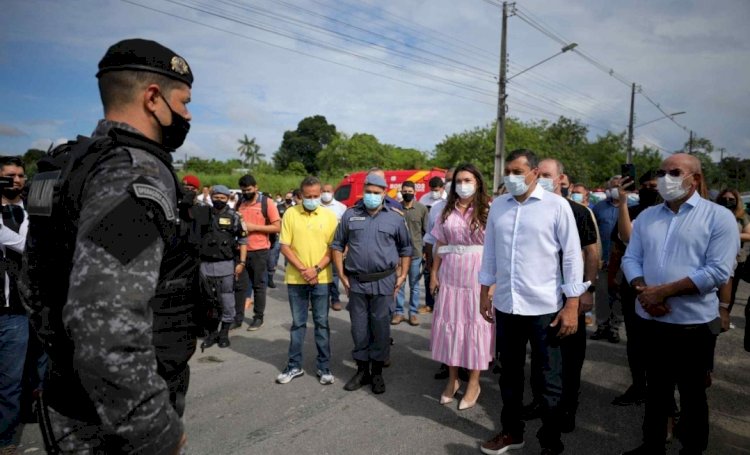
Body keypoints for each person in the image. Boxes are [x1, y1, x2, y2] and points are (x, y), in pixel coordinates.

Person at [21, 38, 196, 454]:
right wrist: (153, 428)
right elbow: (103, 320)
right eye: (184, 101)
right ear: (153, 98)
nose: (188, 114)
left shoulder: (70, 165)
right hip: (110, 425)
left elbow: (34, 284)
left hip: (71, 393)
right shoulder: (134, 175)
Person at [620, 153, 739, 455]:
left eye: (674, 172)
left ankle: (692, 449)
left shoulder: (718, 217)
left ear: (695, 179)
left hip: (692, 325)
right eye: (661, 172)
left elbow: (717, 271)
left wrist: (663, 292)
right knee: (657, 392)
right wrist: (644, 291)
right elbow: (631, 258)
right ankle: (653, 446)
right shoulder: (648, 216)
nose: (665, 178)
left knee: (693, 395)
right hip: (650, 319)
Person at [478, 149, 587, 455]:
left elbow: (572, 258)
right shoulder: (499, 206)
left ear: (535, 172)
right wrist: (483, 292)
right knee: (509, 376)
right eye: (507, 172)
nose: (510, 177)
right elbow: (490, 253)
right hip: (507, 305)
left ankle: (550, 442)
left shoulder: (556, 206)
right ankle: (512, 432)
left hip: (545, 309)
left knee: (548, 379)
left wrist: (572, 305)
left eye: (517, 171)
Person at [521, 159, 599, 433]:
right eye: (537, 174)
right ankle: (540, 402)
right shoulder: (529, 208)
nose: (540, 179)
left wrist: (586, 290)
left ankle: (567, 409)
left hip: (570, 297)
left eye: (546, 175)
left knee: (570, 357)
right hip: (540, 299)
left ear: (559, 178)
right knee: (543, 357)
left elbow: (591, 253)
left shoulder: (578, 211)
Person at [331, 173, 411, 395]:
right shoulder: (350, 215)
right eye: (368, 191)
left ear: (385, 193)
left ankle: (377, 373)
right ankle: (362, 370)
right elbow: (337, 245)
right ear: (363, 191)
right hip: (356, 282)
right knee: (359, 328)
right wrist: (341, 273)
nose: (372, 196)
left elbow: (406, 249)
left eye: (377, 193)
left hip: (384, 282)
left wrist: (403, 274)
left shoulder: (395, 218)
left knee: (381, 328)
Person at [429, 163, 493, 410]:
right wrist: (434, 273)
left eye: (468, 180)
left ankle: (474, 383)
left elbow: (495, 251)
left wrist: (493, 284)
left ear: (477, 182)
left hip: (478, 279)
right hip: (450, 278)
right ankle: (453, 380)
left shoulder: (488, 210)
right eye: (459, 180)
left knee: (476, 329)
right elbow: (440, 246)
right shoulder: (445, 211)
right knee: (451, 329)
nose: (463, 185)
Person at [275, 176, 338, 385]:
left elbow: (332, 248)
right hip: (296, 278)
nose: (312, 199)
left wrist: (316, 269)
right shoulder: (290, 214)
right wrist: (304, 269)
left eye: (316, 196)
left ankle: (324, 366)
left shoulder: (329, 217)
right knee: (298, 324)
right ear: (300, 196)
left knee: (321, 323)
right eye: (308, 196)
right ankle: (294, 366)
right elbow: (285, 245)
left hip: (321, 278)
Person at [608, 170, 661, 406]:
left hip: (665, 289)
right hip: (635, 285)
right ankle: (639, 385)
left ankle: (665, 396)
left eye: (656, 185)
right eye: (647, 186)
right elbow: (622, 241)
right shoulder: (634, 212)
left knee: (662, 344)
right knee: (636, 341)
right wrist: (623, 205)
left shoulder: (676, 215)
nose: (652, 189)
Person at [0, 156, 29, 452]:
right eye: (9, 176)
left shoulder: (31, 212)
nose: (16, 180)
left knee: (10, 383)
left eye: (20, 175)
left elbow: (27, 244)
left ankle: (5, 440)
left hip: (17, 312)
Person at [198, 185, 247, 350]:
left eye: (222, 198)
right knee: (207, 302)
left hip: (225, 264)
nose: (218, 200)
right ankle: (212, 333)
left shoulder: (234, 216)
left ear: (228, 198)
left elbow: (243, 241)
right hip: (204, 264)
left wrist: (242, 263)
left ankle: (224, 333)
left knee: (227, 300)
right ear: (211, 197)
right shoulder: (203, 214)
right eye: (216, 197)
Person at [236, 174, 281, 331]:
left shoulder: (266, 203)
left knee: (259, 286)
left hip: (259, 251)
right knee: (240, 286)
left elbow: (277, 227)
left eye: (248, 190)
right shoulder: (240, 202)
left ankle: (258, 317)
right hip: (240, 251)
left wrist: (254, 227)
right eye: (243, 190)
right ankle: (238, 317)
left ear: (256, 187)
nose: (246, 193)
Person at [591, 175, 625, 343]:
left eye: (619, 186)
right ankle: (602, 326)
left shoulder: (630, 208)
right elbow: (593, 235)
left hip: (622, 262)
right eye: (613, 185)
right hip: (602, 260)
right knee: (602, 295)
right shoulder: (598, 208)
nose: (616, 188)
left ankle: (614, 328)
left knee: (618, 296)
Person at [392, 181, 428, 326]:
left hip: (415, 253)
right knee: (399, 283)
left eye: (410, 191)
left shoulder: (422, 209)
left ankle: (413, 313)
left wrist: (426, 251)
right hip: (398, 254)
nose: (407, 193)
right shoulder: (395, 208)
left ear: (414, 192)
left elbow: (426, 232)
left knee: (414, 285)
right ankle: (399, 312)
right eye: (404, 191)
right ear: (401, 192)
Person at [715, 188, 750, 322]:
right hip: (716, 257)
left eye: (731, 199)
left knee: (730, 291)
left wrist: (731, 234)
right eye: (724, 199)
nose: (728, 201)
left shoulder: (741, 216)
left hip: (736, 260)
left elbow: (749, 234)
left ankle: (724, 316)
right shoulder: (714, 213)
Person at [320, 183, 347, 311]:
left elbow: (346, 229)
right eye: (323, 191)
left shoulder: (341, 207)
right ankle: (319, 300)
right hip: (319, 247)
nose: (326, 193)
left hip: (336, 246)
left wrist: (346, 246)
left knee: (335, 274)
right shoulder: (316, 206)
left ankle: (335, 299)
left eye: (328, 191)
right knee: (319, 273)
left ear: (333, 192)